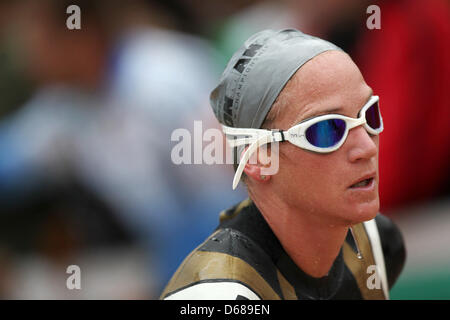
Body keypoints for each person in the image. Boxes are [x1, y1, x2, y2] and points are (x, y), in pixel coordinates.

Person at [160, 29, 405, 300]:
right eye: (327, 130)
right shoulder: (220, 297)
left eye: (369, 114)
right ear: (258, 158)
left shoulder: (377, 243)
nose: (367, 147)